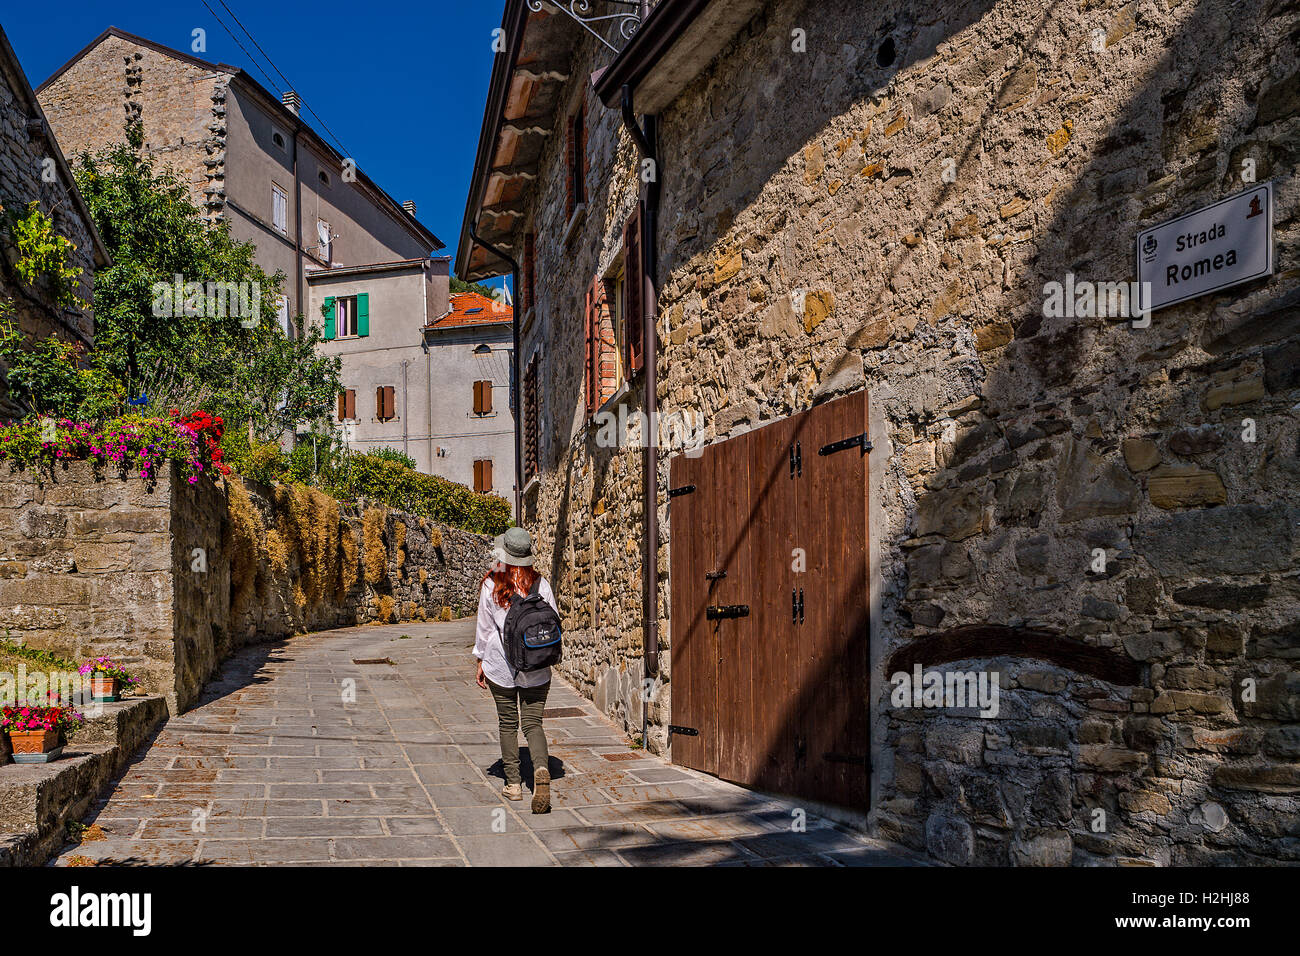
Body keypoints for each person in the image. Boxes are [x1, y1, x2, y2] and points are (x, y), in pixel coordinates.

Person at [473, 526, 557, 813]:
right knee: (533, 724)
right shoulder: (541, 583)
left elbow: (485, 629)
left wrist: (480, 661)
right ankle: (541, 769)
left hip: (501, 665)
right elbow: (553, 621)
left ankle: (513, 784)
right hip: (537, 667)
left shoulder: (492, 584)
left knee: (507, 724)